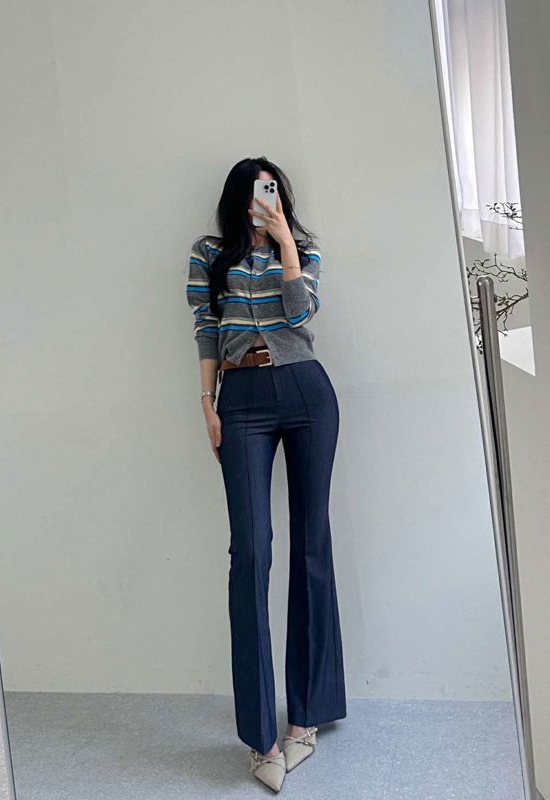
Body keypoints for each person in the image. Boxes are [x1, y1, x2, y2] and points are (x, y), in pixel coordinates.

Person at [185, 156, 346, 792]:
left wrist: (285, 244)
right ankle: (260, 736)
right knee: (251, 552)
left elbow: (301, 317)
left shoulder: (302, 248)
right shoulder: (208, 253)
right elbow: (204, 329)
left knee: (311, 546)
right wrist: (207, 403)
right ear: (238, 195)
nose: (264, 197)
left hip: (307, 392)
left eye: (272, 189)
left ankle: (305, 719)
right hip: (242, 400)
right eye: (256, 190)